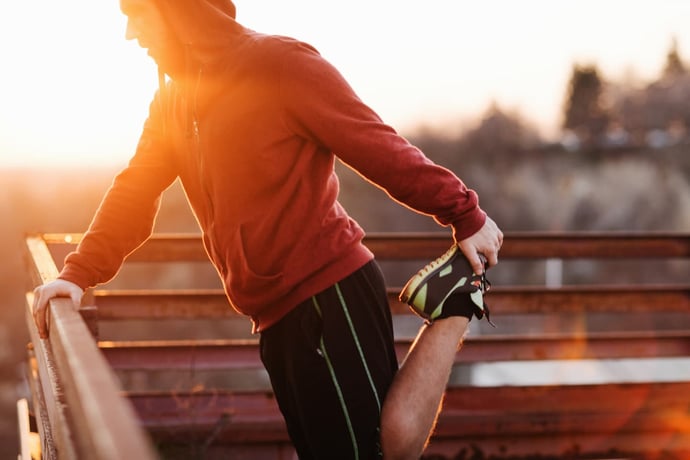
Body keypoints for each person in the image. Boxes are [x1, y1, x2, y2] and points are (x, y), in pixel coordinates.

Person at [32, 0, 503, 458]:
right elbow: (134, 191)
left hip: (328, 293)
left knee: (375, 451)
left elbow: (375, 144)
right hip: (273, 317)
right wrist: (77, 274)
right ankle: (454, 299)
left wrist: (465, 214)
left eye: (137, 16)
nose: (131, 35)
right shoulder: (173, 101)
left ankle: (455, 304)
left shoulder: (280, 64)